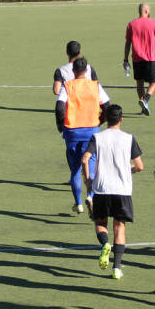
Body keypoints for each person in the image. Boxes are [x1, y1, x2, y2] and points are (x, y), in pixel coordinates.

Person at [81, 104, 143, 280]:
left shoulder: (98, 137)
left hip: (101, 188)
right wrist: (128, 169)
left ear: (105, 118)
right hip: (122, 190)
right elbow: (140, 166)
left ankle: (105, 244)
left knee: (100, 223)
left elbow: (85, 159)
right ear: (121, 119)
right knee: (119, 227)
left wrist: (88, 180)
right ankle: (116, 268)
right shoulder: (129, 138)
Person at [55, 57, 109, 214]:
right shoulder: (95, 86)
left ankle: (78, 203)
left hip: (72, 132)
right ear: (87, 71)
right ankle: (90, 196)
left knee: (75, 169)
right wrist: (101, 120)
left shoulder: (68, 86)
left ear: (73, 71)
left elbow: (59, 108)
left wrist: (61, 124)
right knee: (91, 166)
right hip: (91, 130)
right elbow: (107, 105)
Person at [122, 3, 155, 116]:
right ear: (146, 11)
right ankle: (146, 99)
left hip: (136, 58)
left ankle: (144, 107)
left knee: (140, 83)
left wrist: (125, 59)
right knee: (154, 82)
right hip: (151, 57)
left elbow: (127, 43)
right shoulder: (154, 23)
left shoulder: (131, 24)